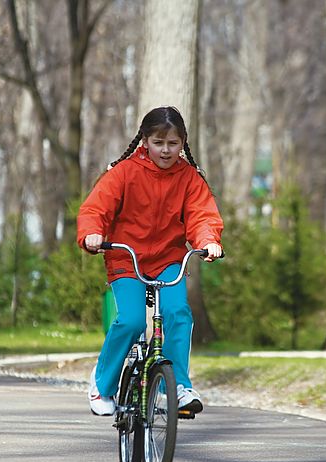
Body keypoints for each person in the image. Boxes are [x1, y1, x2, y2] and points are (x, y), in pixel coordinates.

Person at [77, 106, 223, 416]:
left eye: (173, 143)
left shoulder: (189, 178)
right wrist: (91, 233)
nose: (166, 150)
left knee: (178, 314)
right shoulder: (124, 172)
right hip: (126, 258)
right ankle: (102, 384)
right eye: (158, 143)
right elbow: (95, 209)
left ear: (183, 143)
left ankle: (179, 386)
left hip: (168, 259)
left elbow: (202, 215)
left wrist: (208, 240)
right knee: (130, 319)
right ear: (145, 141)